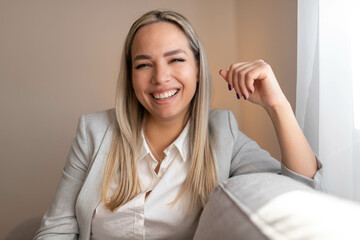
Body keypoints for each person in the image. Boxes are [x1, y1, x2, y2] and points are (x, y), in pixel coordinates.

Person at [34, 10, 323, 240]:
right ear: (131, 76)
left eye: (176, 59)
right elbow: (56, 229)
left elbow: (300, 195)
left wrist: (278, 106)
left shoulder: (224, 132)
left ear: (198, 69)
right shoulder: (93, 132)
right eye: (144, 64)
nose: (160, 77)